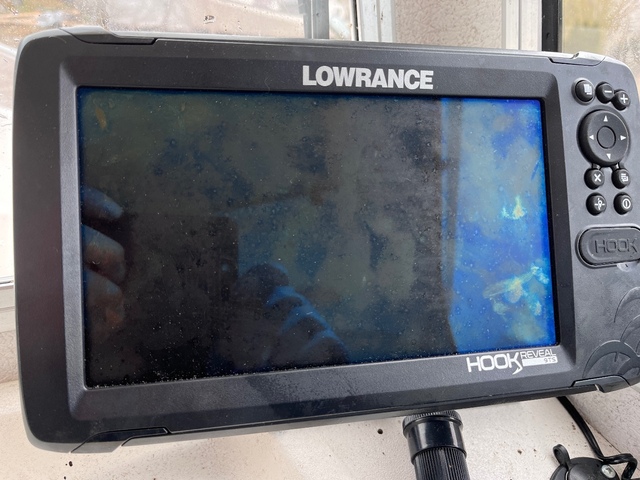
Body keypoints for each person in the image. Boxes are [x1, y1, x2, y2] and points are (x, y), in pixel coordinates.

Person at [81, 186, 349, 386]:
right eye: (155, 250)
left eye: (188, 258)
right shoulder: (94, 352)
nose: (171, 279)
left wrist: (265, 369)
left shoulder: (235, 344)